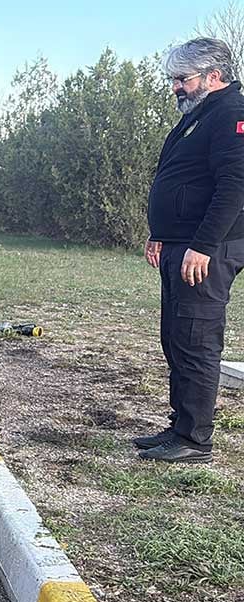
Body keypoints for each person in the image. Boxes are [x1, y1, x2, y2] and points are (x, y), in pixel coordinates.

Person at [138, 37, 244, 463]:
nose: (176, 87)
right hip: (180, 245)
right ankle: (180, 425)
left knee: (197, 338)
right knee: (176, 336)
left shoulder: (232, 114)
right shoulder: (199, 116)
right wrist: (159, 232)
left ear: (213, 76)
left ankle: (196, 440)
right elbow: (178, 178)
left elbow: (235, 185)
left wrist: (202, 246)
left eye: (183, 79)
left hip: (208, 250)